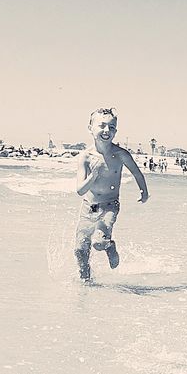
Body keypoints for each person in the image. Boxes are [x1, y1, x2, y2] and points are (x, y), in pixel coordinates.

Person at [74, 107, 149, 282]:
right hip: (88, 207)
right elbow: (80, 190)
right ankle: (86, 283)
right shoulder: (85, 157)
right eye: (102, 126)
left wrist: (144, 191)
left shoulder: (120, 154)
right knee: (80, 249)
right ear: (90, 128)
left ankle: (109, 246)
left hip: (109, 206)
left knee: (98, 242)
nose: (107, 130)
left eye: (112, 127)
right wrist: (93, 176)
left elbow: (137, 173)